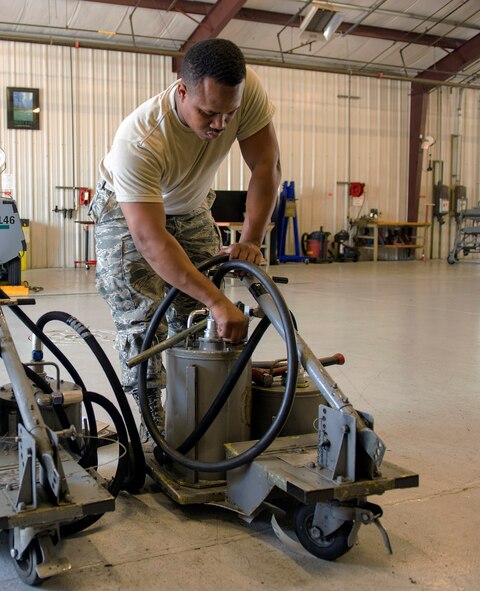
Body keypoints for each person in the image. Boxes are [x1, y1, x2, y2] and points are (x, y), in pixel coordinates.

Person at [90, 38, 281, 438]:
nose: (220, 125)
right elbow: (150, 239)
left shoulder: (246, 93)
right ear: (182, 91)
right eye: (208, 113)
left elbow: (265, 164)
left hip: (190, 203)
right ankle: (152, 432)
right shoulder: (139, 140)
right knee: (142, 319)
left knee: (196, 314)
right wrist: (219, 301)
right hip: (128, 212)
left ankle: (195, 412)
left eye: (229, 114)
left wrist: (251, 237)